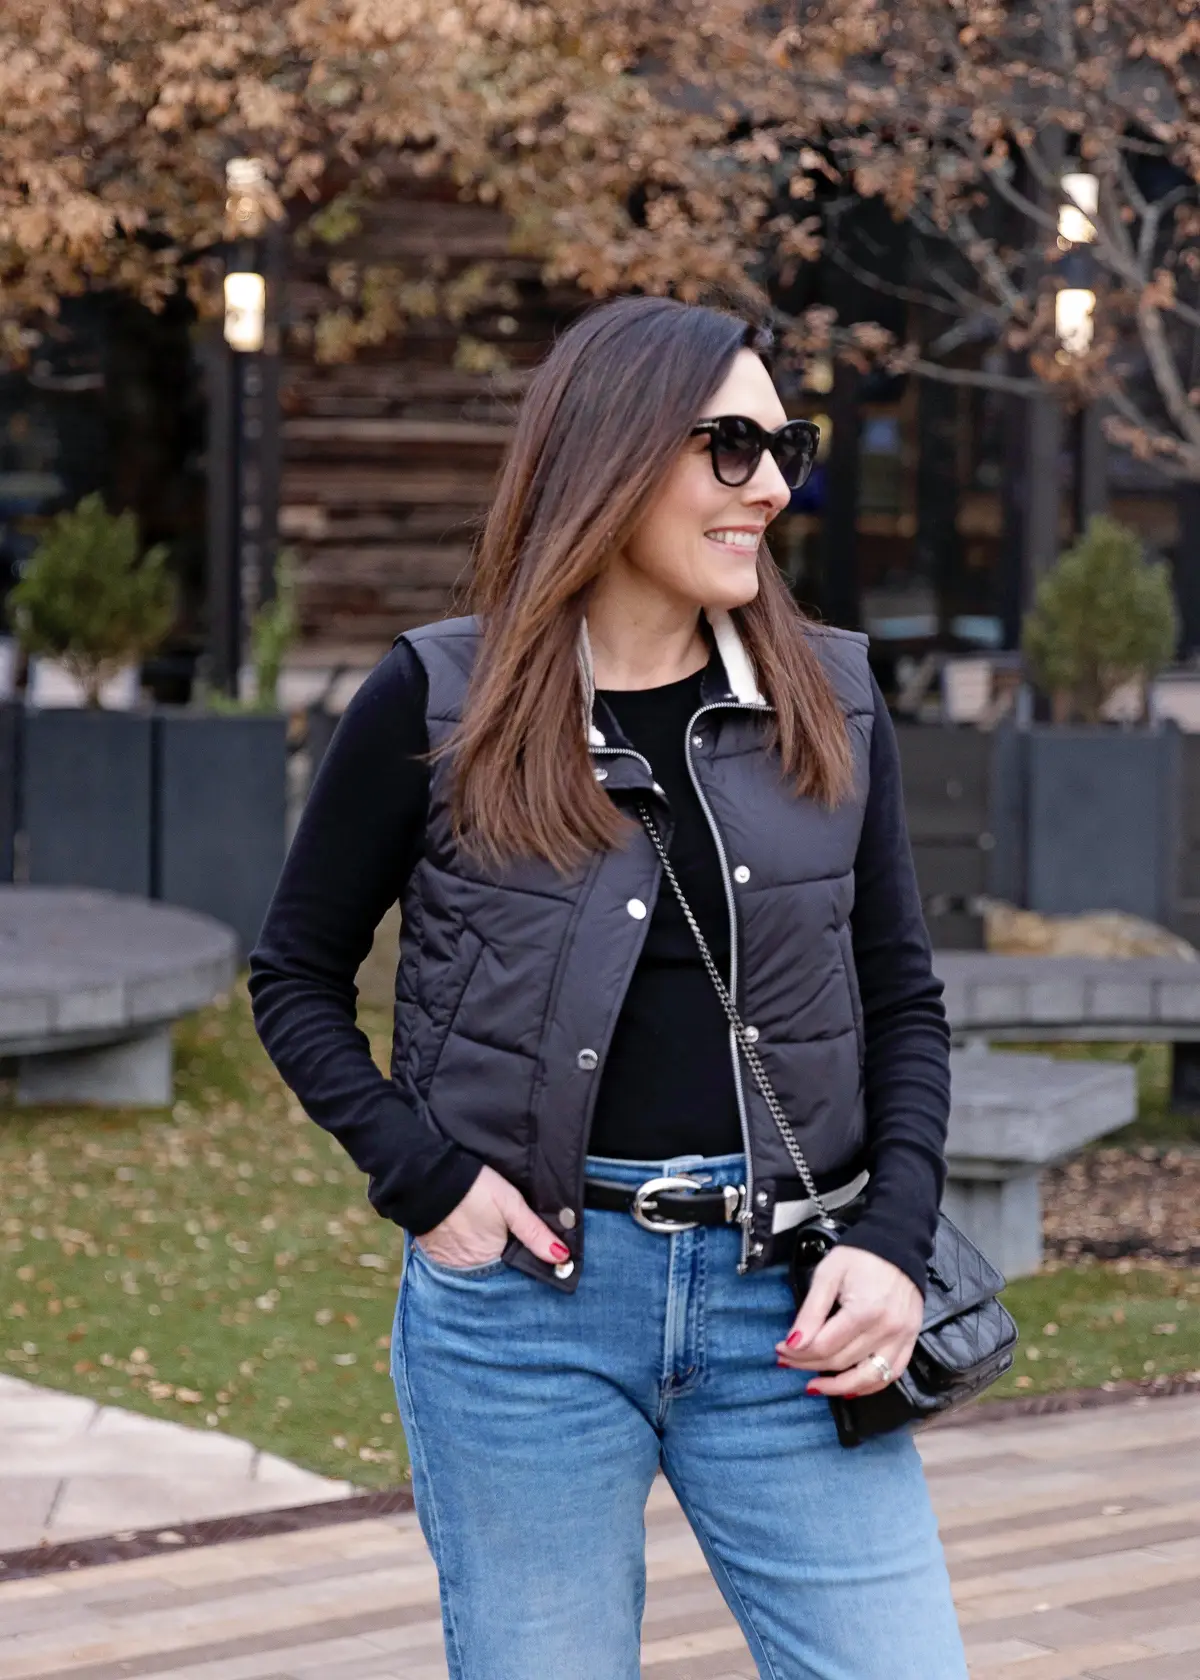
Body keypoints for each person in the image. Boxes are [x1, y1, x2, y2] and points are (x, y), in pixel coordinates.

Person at [249, 295, 969, 1679]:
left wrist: (892, 1239)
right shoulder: (436, 700)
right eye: (730, 447)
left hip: (790, 1306)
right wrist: (427, 1183)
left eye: (784, 447)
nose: (771, 485)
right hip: (528, 1321)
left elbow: (904, 999)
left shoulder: (837, 696)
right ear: (613, 453)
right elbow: (293, 979)